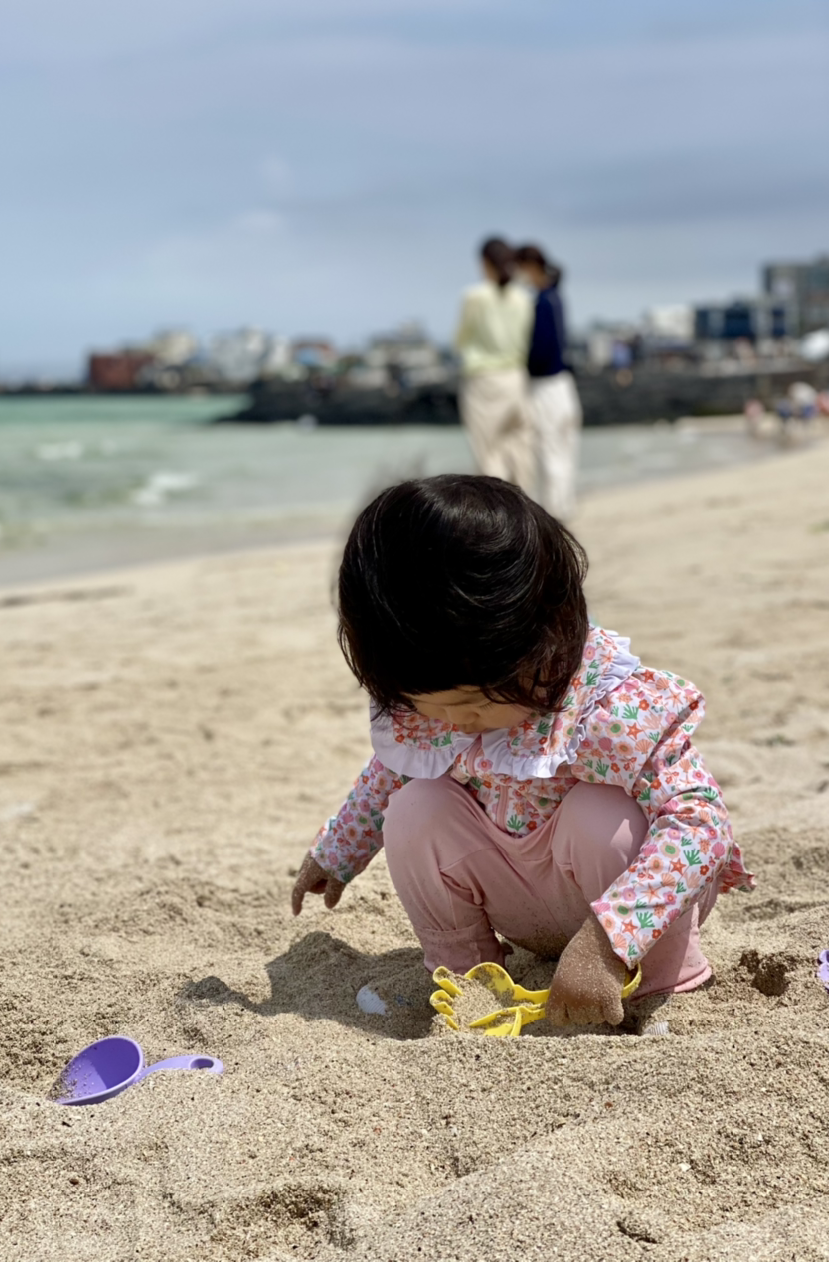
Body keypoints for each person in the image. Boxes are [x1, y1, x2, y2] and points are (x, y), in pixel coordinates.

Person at [291, 476, 754, 1026]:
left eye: (472, 705)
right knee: (415, 809)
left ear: (545, 643)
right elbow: (391, 772)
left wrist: (609, 940)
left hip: (636, 910)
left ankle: (656, 987)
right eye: (428, 706)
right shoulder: (432, 703)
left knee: (598, 816)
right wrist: (337, 852)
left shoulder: (608, 708)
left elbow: (701, 824)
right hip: (526, 894)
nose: (453, 723)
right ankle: (464, 978)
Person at [453, 238, 535, 489]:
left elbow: (460, 340)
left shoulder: (474, 296)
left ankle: (496, 508)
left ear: (484, 262)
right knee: (519, 451)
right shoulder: (524, 298)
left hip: (484, 380)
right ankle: (523, 504)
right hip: (517, 378)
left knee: (487, 454)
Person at [514, 244, 584, 521]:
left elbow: (541, 351)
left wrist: (520, 364)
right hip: (563, 385)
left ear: (530, 267)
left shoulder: (543, 301)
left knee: (550, 453)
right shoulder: (555, 297)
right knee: (565, 453)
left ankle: (555, 517)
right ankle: (563, 511)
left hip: (546, 387)